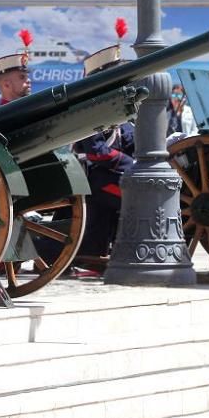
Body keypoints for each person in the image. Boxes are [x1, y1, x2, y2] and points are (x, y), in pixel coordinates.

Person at [72, 40, 134, 268]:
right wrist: (132, 163)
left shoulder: (116, 106)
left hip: (112, 175)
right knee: (140, 196)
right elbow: (97, 153)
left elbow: (127, 140)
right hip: (96, 179)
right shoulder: (92, 108)